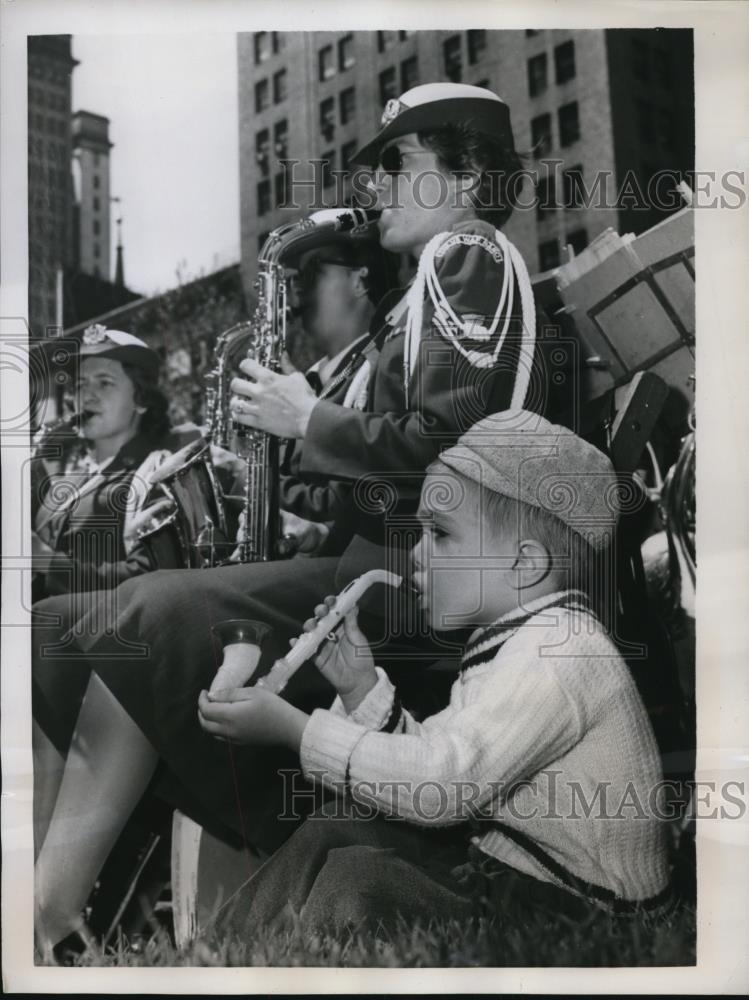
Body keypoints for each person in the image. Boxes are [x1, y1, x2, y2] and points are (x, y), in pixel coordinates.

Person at [32, 82, 552, 956]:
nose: (377, 183)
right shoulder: (434, 284)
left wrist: (305, 419)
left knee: (152, 612)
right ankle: (52, 904)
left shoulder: (471, 257)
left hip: (431, 585)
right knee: (52, 626)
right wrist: (285, 467)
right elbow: (396, 469)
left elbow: (449, 447)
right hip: (382, 568)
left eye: (398, 164)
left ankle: (46, 918)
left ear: (464, 179)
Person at [199, 410, 672, 937]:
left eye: (440, 533)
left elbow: (440, 786)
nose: (416, 552)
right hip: (523, 877)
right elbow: (447, 754)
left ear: (525, 565)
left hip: (588, 914)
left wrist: (296, 729)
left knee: (360, 879)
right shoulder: (525, 636)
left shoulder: (560, 654)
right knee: (338, 826)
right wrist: (360, 688)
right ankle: (219, 957)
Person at [31, 325, 186, 599]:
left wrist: (44, 560)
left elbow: (151, 581)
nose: (85, 396)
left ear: (142, 399)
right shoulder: (73, 474)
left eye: (104, 382)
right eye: (80, 384)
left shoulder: (156, 475)